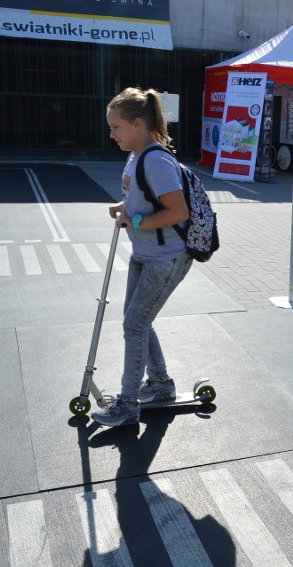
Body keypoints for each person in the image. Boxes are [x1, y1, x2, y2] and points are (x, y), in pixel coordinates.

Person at [91, 87, 192, 427]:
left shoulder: (156, 160)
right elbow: (145, 201)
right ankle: (160, 384)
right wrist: (124, 208)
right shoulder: (136, 157)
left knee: (135, 324)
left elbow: (177, 212)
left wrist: (133, 220)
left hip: (166, 259)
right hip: (145, 253)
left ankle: (128, 403)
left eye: (116, 127)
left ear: (137, 124)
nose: (111, 134)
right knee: (136, 321)